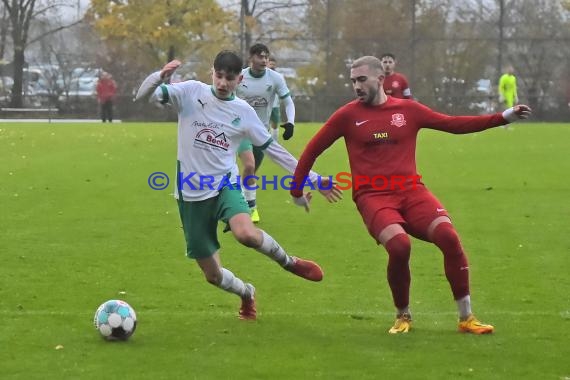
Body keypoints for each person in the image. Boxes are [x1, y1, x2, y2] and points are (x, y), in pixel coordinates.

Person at [290, 56, 531, 334]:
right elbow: (311, 150)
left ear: (380, 79)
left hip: (411, 191)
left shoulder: (408, 110)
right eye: (353, 80)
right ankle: (403, 315)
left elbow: (453, 124)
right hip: (373, 196)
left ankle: (466, 318)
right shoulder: (347, 116)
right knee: (400, 246)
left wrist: (503, 117)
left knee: (449, 237)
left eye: (361, 79)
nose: (356, 85)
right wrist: (296, 191)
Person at [134, 51, 342, 321]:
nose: (222, 83)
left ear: (239, 79)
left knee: (246, 234)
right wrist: (159, 77)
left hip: (224, 184)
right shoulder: (190, 92)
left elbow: (274, 150)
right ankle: (246, 293)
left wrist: (312, 178)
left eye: (229, 79)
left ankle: (289, 262)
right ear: (212, 72)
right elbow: (143, 96)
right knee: (213, 276)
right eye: (219, 76)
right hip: (190, 192)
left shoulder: (244, 112)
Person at [235, 43, 296, 223]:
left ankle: (238, 198)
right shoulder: (240, 77)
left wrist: (290, 122)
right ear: (250, 58)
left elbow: (288, 101)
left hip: (261, 132)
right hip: (241, 130)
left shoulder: (275, 78)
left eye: (266, 57)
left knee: (251, 172)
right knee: (249, 166)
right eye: (260, 57)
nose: (264, 60)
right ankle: (251, 208)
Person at [268, 54, 282, 141]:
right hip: (264, 105)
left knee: (275, 124)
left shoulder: (279, 77)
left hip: (275, 105)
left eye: (273, 64)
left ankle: (275, 142)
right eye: (270, 64)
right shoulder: (263, 75)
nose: (272, 66)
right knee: (264, 124)